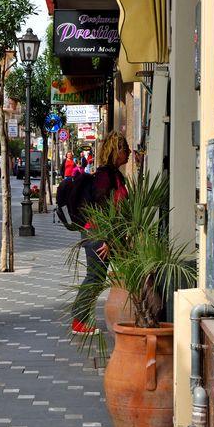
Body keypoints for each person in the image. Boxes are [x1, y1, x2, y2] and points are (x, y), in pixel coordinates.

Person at [72, 131, 130, 335]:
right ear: (117, 150)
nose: (129, 153)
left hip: (102, 235)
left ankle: (80, 319)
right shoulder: (105, 175)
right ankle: (79, 320)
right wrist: (106, 238)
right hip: (98, 235)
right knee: (94, 277)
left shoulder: (114, 174)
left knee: (97, 277)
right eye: (125, 148)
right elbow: (100, 207)